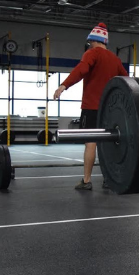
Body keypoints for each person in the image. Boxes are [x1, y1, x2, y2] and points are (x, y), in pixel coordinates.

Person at [53, 23, 128, 190]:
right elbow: (126, 81)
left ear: (93, 40)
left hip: (92, 107)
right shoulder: (115, 59)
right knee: (107, 143)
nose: (89, 45)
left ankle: (86, 181)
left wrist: (64, 85)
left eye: (90, 42)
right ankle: (108, 179)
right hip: (110, 110)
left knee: (91, 144)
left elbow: (81, 70)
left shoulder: (92, 53)